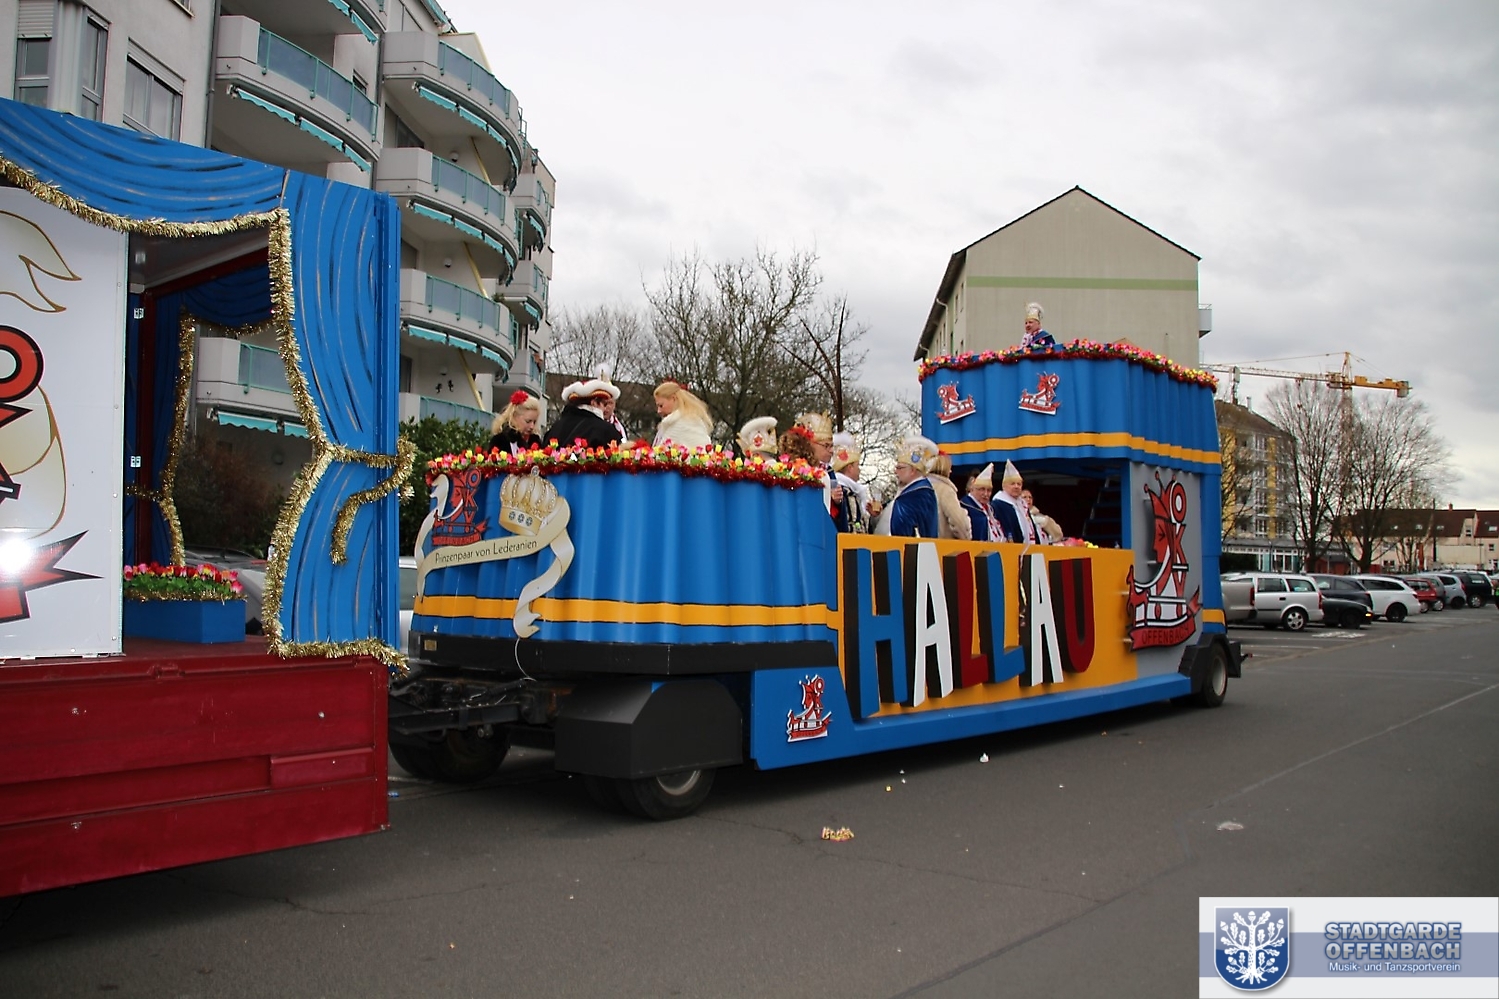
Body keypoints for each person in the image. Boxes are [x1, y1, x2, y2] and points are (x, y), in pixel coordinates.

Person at [779, 413, 842, 525]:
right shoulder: (818, 475)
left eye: (832, 446)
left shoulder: (781, 470)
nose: (831, 451)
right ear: (809, 444)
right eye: (826, 445)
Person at [874, 436, 940, 538]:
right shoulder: (915, 492)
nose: (895, 471)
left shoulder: (914, 495)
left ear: (912, 470)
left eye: (899, 468)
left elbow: (900, 532)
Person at [544, 374, 622, 449]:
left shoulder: (555, 427)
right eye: (604, 404)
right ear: (594, 403)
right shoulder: (605, 431)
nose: (605, 409)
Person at [830, 431, 876, 533]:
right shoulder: (841, 491)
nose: (859, 470)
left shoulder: (854, 492)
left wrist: (872, 515)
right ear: (850, 468)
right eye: (857, 466)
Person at [992, 460, 1047, 544]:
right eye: (1012, 484)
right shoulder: (998, 504)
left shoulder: (1022, 504)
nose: (1016, 486)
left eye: (1019, 484)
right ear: (1004, 486)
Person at [652, 380, 713, 449]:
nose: (659, 411)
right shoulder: (686, 421)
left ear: (673, 399)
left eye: (661, 405)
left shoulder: (683, 423)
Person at [926, 453, 972, 541]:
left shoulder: (920, 487)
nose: (951, 471)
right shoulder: (945, 490)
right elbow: (958, 521)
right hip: (943, 546)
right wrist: (966, 536)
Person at [960, 464, 1005, 543]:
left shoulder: (991, 509)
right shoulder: (964, 505)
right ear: (972, 489)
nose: (986, 494)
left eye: (989, 490)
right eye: (982, 489)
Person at [489, 390, 543, 454]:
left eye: (534, 422)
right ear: (514, 416)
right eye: (528, 421)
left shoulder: (535, 442)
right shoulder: (500, 441)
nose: (532, 426)